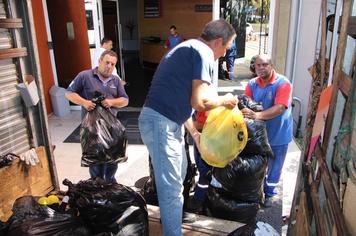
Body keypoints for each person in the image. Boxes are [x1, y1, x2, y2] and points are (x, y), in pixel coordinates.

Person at [138, 19, 237, 236]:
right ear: (219, 41)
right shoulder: (202, 52)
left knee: (179, 177)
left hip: (166, 122)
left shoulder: (189, 47)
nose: (224, 54)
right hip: (160, 123)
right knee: (172, 189)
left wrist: (195, 134)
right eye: (226, 48)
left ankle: (170, 225)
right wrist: (226, 100)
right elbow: (199, 102)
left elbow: (182, 102)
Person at [66, 50, 129, 183]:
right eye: (107, 62)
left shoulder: (116, 80)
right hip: (92, 132)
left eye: (113, 64)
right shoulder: (84, 76)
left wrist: (111, 102)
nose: (109, 66)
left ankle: (110, 186)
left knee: (111, 166)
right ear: (99, 61)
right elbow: (69, 93)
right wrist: (84, 102)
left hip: (111, 131)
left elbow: (125, 100)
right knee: (96, 170)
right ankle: (97, 188)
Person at [241, 54, 293, 207]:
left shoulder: (283, 84)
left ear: (271, 66)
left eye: (265, 65)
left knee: (275, 166)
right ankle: (257, 193)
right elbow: (244, 103)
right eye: (258, 65)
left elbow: (280, 108)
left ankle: (270, 194)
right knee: (258, 164)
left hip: (279, 134)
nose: (261, 68)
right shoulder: (252, 84)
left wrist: (257, 115)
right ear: (254, 67)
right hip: (258, 135)